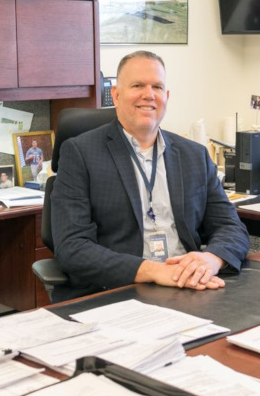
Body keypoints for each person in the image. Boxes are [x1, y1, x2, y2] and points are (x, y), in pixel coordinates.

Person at [51, 50, 249, 302]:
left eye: (157, 86)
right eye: (137, 85)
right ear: (116, 94)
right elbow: (73, 248)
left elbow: (231, 227)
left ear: (166, 96)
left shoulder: (194, 155)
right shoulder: (81, 153)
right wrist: (153, 271)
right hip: (120, 290)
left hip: (188, 286)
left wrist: (211, 259)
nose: (149, 95)